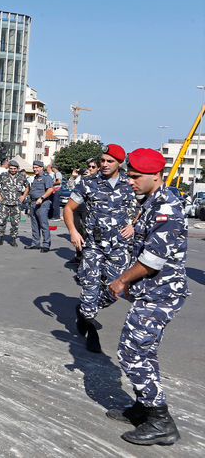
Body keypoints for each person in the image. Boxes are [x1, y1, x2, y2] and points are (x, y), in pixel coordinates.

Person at [106, 148, 189, 446]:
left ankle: (161, 421)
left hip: (161, 294)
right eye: (129, 176)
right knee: (141, 351)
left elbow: (153, 259)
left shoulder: (166, 207)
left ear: (156, 176)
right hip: (150, 292)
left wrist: (121, 281)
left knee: (133, 354)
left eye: (135, 177)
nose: (130, 181)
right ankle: (144, 407)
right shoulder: (152, 201)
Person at [63, 144, 136, 353]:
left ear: (119, 163)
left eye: (109, 161)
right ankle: (90, 325)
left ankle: (86, 309)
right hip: (93, 246)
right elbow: (69, 208)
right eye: (102, 160)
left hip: (120, 247)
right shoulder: (88, 183)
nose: (104, 164)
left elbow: (145, 207)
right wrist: (73, 231)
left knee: (115, 291)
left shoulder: (130, 183)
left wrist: (134, 224)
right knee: (90, 288)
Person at [0, 160, 29, 246]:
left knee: (15, 222)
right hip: (4, 202)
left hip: (16, 203)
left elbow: (27, 187)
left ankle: (13, 239)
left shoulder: (21, 176)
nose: (12, 170)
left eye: (14, 169)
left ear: (17, 168)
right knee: (2, 221)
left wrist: (23, 196)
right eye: (11, 168)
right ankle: (0, 238)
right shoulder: (3, 175)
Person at [25, 160, 54, 252]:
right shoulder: (35, 177)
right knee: (34, 224)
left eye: (37, 167)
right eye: (34, 168)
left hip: (42, 203)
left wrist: (42, 198)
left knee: (43, 224)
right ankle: (35, 243)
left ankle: (46, 245)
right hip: (33, 203)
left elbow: (50, 189)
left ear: (42, 168)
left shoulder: (46, 177)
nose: (35, 169)